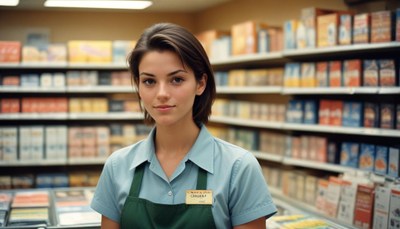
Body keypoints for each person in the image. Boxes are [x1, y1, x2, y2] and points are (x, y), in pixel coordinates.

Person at [90, 22, 277, 229]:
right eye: (149, 81)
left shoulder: (238, 168)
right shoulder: (117, 166)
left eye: (176, 79)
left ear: (200, 84)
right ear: (138, 85)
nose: (161, 94)